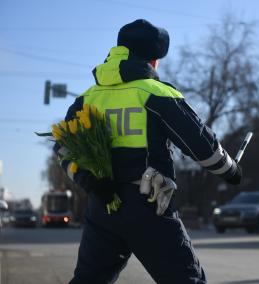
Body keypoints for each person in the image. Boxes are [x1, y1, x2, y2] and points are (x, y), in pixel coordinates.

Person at [54, 19, 242, 284]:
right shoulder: (156, 93)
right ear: (154, 60)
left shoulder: (86, 98)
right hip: (150, 209)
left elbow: (62, 148)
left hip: (102, 206)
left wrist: (88, 180)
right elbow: (202, 146)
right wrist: (232, 170)